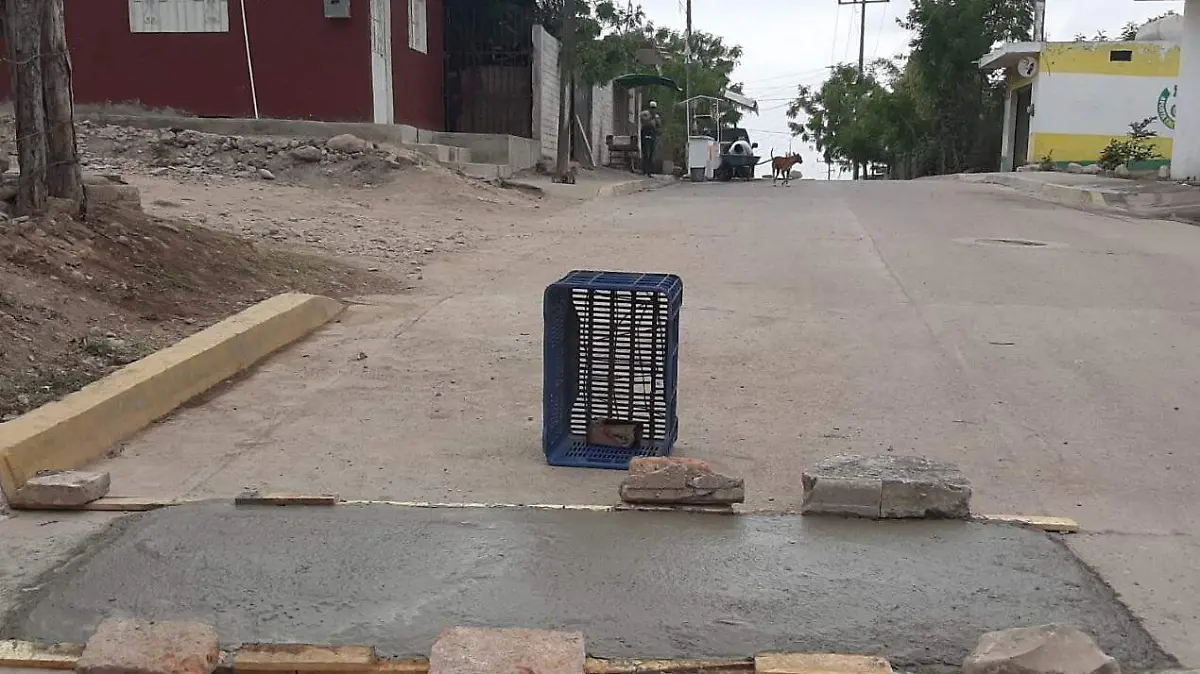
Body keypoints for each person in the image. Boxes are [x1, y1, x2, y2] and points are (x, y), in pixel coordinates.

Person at [638, 100, 660, 176]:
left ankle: (649, 171)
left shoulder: (656, 116)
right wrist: (650, 117)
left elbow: (659, 124)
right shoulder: (645, 113)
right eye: (652, 108)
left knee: (651, 153)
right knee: (645, 152)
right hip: (645, 131)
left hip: (652, 133)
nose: (653, 109)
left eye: (654, 108)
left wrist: (657, 120)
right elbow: (642, 119)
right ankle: (644, 170)